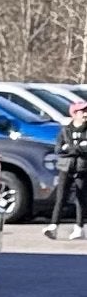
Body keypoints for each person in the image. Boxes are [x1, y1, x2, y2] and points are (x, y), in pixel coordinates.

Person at [54, 94, 87, 240]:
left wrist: (74, 149)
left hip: (82, 167)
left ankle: (79, 227)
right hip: (66, 167)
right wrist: (74, 149)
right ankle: (53, 225)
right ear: (75, 114)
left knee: (80, 197)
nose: (85, 114)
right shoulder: (65, 130)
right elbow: (59, 149)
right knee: (61, 196)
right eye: (82, 111)